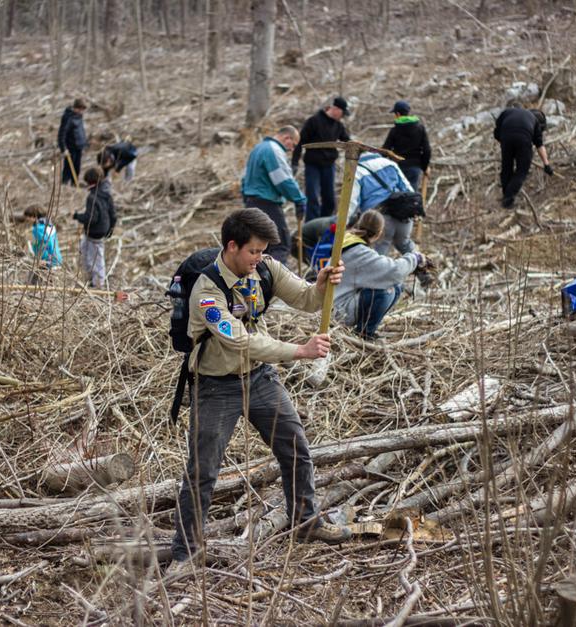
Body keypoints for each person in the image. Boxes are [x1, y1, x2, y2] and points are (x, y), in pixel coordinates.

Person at [171, 208, 352, 572]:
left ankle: (306, 522)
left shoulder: (265, 268)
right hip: (215, 387)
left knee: (295, 447)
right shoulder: (206, 292)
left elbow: (305, 298)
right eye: (253, 251)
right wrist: (299, 351)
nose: (259, 258)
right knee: (203, 470)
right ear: (232, 246)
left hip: (259, 379)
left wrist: (321, 284)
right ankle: (186, 551)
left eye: (263, 251)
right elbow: (242, 343)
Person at [334, 211, 428, 340]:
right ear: (379, 233)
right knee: (387, 290)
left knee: (396, 286)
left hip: (335, 304)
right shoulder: (359, 252)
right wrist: (415, 258)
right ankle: (365, 334)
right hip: (338, 312)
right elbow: (394, 272)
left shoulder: (349, 242)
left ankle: (365, 330)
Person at [241, 126, 307, 264]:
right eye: (293, 144)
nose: (292, 149)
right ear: (286, 138)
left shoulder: (257, 149)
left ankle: (260, 281)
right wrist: (299, 199)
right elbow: (283, 180)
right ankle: (277, 282)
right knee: (279, 245)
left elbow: (244, 178)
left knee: (259, 247)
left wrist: (246, 199)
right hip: (267, 205)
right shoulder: (274, 150)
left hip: (251, 203)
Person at [291, 96, 351, 222]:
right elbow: (300, 142)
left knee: (329, 199)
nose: (342, 116)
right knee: (312, 197)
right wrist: (295, 162)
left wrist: (357, 149)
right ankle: (311, 226)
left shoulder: (338, 125)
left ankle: (324, 224)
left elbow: (347, 141)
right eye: (342, 113)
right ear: (335, 109)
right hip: (313, 166)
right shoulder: (313, 121)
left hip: (329, 166)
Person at [348, 151, 417, 255]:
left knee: (379, 250)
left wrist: (342, 223)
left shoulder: (357, 171)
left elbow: (351, 202)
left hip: (379, 218)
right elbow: (409, 190)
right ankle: (423, 265)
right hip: (403, 215)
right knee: (405, 245)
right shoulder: (390, 163)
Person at [493, 105, 554, 209]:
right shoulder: (534, 121)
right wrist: (546, 164)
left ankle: (506, 195)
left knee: (507, 167)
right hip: (523, 138)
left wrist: (505, 142)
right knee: (522, 170)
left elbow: (496, 131)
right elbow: (539, 145)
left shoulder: (509, 111)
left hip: (506, 136)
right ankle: (508, 199)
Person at [73, 168, 116, 289]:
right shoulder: (107, 194)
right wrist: (111, 229)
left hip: (95, 233)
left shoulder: (92, 197)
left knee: (96, 259)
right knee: (84, 252)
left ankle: (98, 284)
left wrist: (77, 216)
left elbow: (91, 218)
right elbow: (113, 214)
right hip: (101, 231)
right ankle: (91, 279)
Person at [382, 100, 431, 191]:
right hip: (415, 167)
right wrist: (424, 166)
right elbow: (427, 150)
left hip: (398, 167)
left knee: (398, 195)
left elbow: (385, 150)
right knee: (411, 195)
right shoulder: (420, 128)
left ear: (398, 114)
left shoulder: (395, 130)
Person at [58, 98, 88, 186]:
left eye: (83, 110)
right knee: (68, 168)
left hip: (79, 146)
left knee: (77, 167)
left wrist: (84, 143)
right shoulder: (68, 118)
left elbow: (80, 131)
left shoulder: (79, 116)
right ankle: (64, 184)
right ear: (76, 108)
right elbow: (61, 134)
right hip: (71, 147)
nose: (82, 111)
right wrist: (63, 148)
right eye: (81, 109)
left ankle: (74, 183)